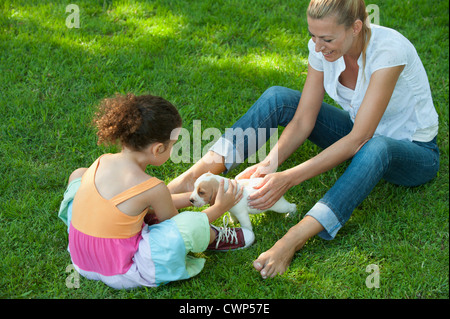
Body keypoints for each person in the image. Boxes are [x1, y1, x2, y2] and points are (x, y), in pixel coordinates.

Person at [168, 0, 440, 279]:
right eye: (313, 35)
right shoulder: (322, 48)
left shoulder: (388, 52)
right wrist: (270, 163)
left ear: (356, 28)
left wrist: (289, 178)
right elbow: (303, 120)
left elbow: (360, 138)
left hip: (413, 151)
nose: (318, 46)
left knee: (375, 145)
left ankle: (295, 237)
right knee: (278, 98)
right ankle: (194, 178)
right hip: (359, 130)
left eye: (327, 38)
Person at [57, 93, 254, 289]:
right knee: (187, 225)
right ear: (158, 149)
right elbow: (173, 225)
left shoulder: (102, 160)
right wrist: (219, 207)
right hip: (120, 270)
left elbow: (141, 203)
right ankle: (212, 236)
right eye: (173, 145)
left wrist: (197, 197)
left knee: (80, 174)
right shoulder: (153, 187)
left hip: (81, 257)